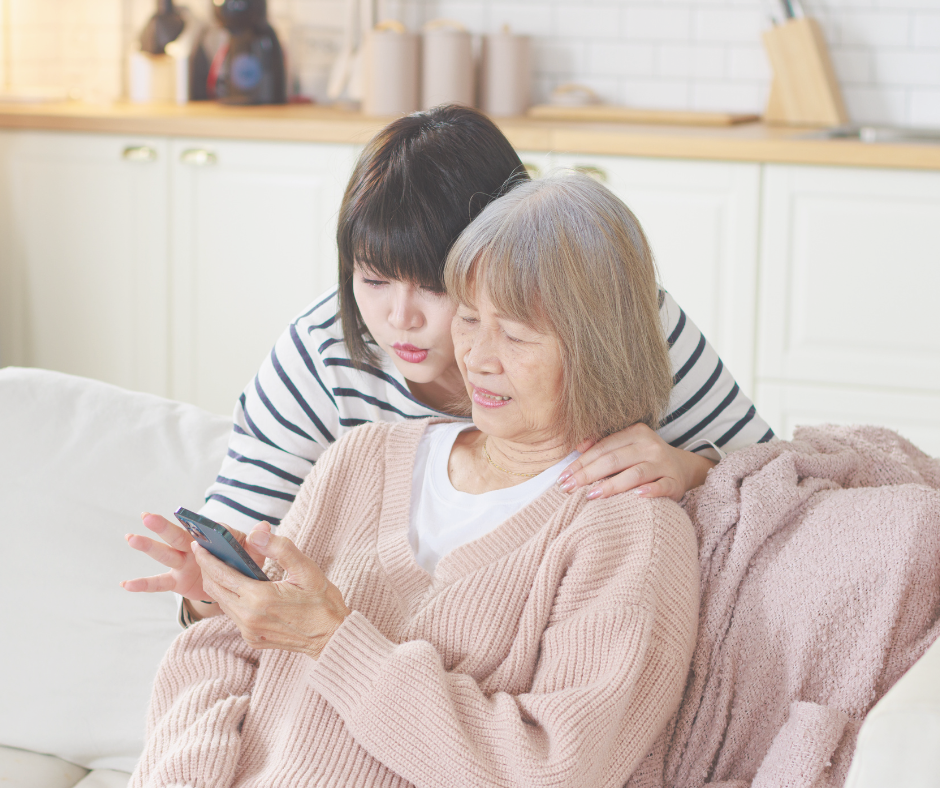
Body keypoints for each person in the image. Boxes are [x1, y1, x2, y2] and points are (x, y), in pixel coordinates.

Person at [130, 173, 700, 788]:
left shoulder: (629, 528)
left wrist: (333, 642)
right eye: (470, 318)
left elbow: (553, 768)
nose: (476, 357)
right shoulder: (364, 457)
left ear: (598, 348)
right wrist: (216, 602)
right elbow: (221, 655)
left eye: (513, 334)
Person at [120, 105, 771, 626]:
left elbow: (776, 475)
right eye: (373, 280)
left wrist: (692, 469)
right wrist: (208, 592)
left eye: (434, 287)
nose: (398, 318)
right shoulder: (323, 353)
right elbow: (237, 551)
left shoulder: (615, 316)